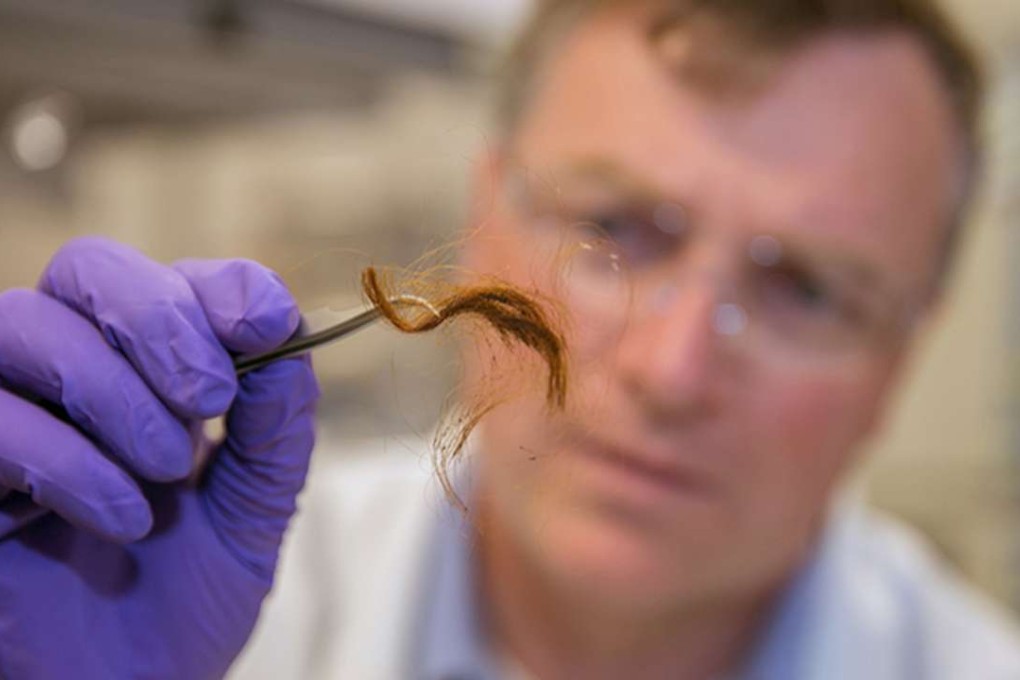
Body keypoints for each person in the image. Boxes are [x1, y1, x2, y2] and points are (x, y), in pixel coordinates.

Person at [0, 0, 1017, 678]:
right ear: (485, 213)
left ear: (901, 359)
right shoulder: (220, 608)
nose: (673, 369)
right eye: (613, 228)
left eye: (805, 286)